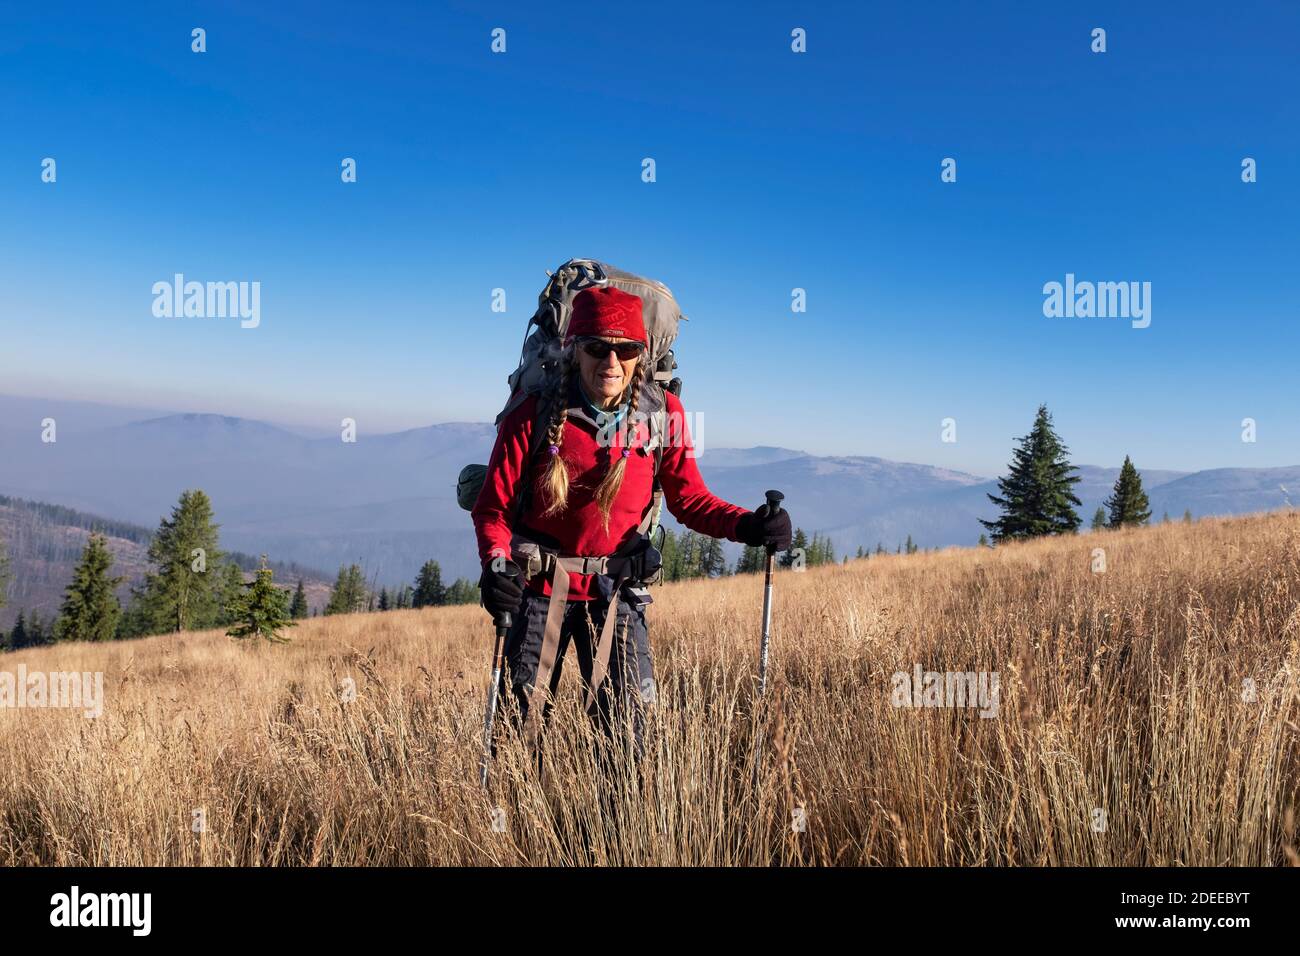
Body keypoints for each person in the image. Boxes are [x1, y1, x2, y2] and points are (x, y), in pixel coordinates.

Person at [472, 285, 792, 754]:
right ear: (574, 349)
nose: (612, 362)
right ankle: (516, 825)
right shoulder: (533, 412)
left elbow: (691, 500)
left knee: (628, 742)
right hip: (538, 591)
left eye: (625, 350)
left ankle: (616, 827)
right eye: (598, 348)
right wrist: (497, 564)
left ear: (641, 355)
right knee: (516, 741)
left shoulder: (665, 416)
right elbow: (493, 508)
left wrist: (749, 525)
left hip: (617, 592)